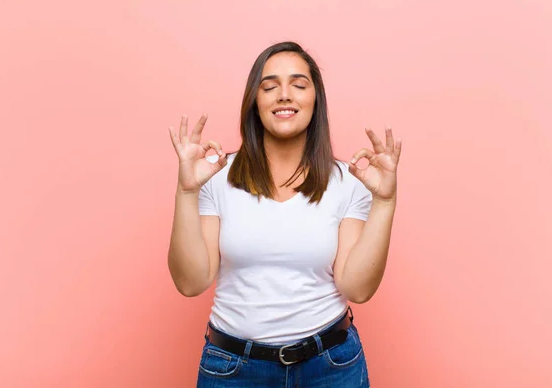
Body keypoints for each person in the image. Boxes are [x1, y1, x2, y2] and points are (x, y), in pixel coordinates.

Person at [168, 41, 402, 388]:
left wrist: (384, 201)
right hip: (234, 370)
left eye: (298, 84)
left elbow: (357, 287)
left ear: (315, 100)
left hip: (331, 367)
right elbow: (191, 282)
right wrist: (187, 192)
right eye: (270, 86)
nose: (284, 95)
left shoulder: (346, 182)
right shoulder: (216, 176)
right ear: (255, 102)